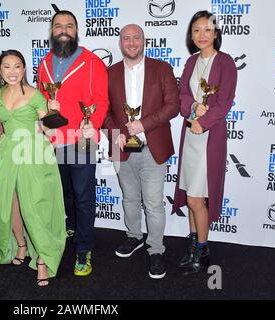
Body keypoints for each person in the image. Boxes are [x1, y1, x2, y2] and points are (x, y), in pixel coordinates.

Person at [0, 50, 66, 287]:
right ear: (0, 71)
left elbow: (49, 131)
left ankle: (42, 259)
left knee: (35, 206)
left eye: (17, 66)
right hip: (7, 152)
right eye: (7, 67)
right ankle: (21, 245)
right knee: (11, 203)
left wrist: (53, 113)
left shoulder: (36, 95)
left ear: (24, 69)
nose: (12, 72)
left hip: (32, 151)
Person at [103, 24, 179, 279]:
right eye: (127, 38)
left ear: (144, 41)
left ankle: (156, 249)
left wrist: (142, 124)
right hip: (123, 148)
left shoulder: (162, 69)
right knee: (129, 199)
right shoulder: (110, 73)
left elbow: (173, 106)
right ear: (120, 42)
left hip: (153, 147)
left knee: (154, 203)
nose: (132, 43)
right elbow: (105, 111)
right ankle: (134, 237)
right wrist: (119, 134)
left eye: (137, 38)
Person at [37, 10, 108, 277]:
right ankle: (71, 226)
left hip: (81, 141)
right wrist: (42, 119)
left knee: (84, 197)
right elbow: (41, 101)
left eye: (69, 26)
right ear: (52, 31)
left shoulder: (92, 62)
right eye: (58, 26)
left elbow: (101, 99)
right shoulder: (44, 63)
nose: (63, 30)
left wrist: (94, 123)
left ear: (76, 31)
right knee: (63, 192)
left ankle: (84, 248)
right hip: (53, 141)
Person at [173, 10, 237, 276]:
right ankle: (194, 247)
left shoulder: (226, 62)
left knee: (198, 199)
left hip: (210, 138)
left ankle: (201, 249)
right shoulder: (190, 62)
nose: (202, 35)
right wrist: (194, 108)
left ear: (216, 33)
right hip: (190, 137)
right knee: (190, 196)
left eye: (207, 30)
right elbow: (183, 96)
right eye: (196, 30)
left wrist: (203, 121)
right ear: (191, 34)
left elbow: (224, 103)